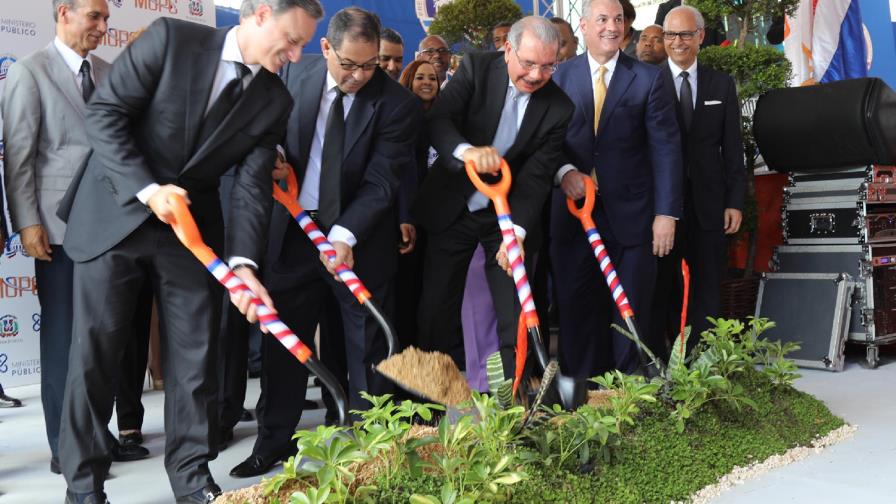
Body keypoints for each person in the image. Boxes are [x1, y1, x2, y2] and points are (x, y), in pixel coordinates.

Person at [54, 0, 324, 501]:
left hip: (189, 233)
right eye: (292, 38)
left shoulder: (273, 99)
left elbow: (249, 187)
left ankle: (192, 479)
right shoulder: (171, 40)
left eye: (304, 43)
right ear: (259, 14)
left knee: (197, 359)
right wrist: (149, 189)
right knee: (97, 357)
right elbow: (105, 114)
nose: (296, 52)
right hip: (117, 212)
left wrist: (243, 264)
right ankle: (84, 487)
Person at [230, 6, 422, 479]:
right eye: (349, 65)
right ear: (325, 48)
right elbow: (266, 134)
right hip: (293, 230)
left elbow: (381, 182)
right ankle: (274, 441)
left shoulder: (396, 105)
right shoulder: (293, 72)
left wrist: (343, 235)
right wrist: (273, 155)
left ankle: (371, 447)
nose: (358, 76)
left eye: (370, 65)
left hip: (357, 237)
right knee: (285, 344)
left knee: (366, 347)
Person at [1, 0, 152, 475]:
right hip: (58, 231)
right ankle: (64, 446)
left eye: (107, 18)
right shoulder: (30, 71)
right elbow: (20, 156)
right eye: (94, 16)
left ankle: (94, 435)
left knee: (105, 342)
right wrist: (27, 223)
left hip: (113, 229)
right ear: (64, 12)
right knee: (65, 342)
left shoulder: (110, 73)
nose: (103, 27)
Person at [414, 16, 574, 380]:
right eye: (529, 63)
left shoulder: (559, 108)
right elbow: (440, 120)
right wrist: (467, 152)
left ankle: (513, 404)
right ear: (507, 50)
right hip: (452, 208)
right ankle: (427, 406)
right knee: (435, 309)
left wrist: (515, 231)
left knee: (514, 312)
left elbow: (536, 177)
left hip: (505, 217)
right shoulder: (475, 69)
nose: (536, 75)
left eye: (548, 66)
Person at [550, 0, 682, 378]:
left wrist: (666, 214)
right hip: (574, 215)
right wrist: (564, 172)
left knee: (632, 308)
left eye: (619, 19)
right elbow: (548, 142)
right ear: (584, 26)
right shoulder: (559, 77)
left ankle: (630, 395)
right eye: (603, 19)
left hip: (635, 218)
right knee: (577, 308)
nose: (612, 27)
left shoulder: (648, 78)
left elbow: (666, 149)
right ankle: (581, 397)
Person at [650, 5, 744, 353]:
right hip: (663, 207)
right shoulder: (649, 81)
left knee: (707, 286)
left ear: (701, 37)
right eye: (670, 35)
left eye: (686, 34)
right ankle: (664, 357)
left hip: (709, 204)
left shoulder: (721, 83)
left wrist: (734, 200)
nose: (677, 42)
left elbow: (733, 149)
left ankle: (703, 358)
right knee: (663, 284)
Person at [394, 60, 440, 350]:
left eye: (433, 78)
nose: (427, 83)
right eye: (420, 77)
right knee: (406, 291)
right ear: (408, 81)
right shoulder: (403, 117)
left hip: (437, 219)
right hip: (409, 217)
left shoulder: (445, 118)